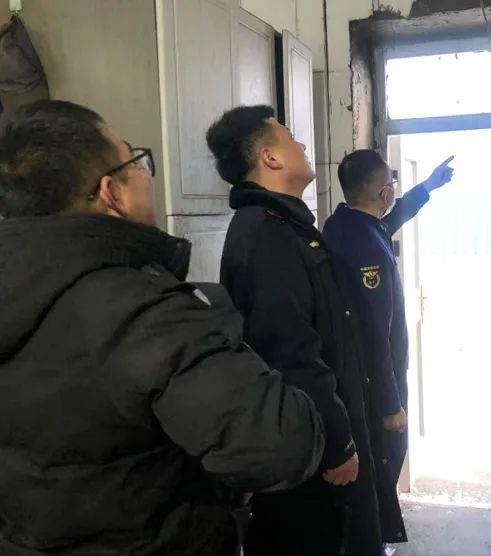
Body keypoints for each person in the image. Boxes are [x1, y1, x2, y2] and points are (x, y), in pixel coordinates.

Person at [0, 100, 325, 556]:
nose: (146, 174)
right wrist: (214, 321)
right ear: (112, 193)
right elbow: (280, 444)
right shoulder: (142, 308)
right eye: (136, 160)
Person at [207, 105, 383, 556]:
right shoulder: (267, 236)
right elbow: (290, 355)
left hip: (317, 434)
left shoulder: (287, 226)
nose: (302, 144)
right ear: (270, 158)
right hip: (308, 447)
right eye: (290, 138)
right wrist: (338, 442)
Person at [323, 150, 455, 549]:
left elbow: (391, 220)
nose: (393, 194)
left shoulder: (342, 226)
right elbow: (375, 333)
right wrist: (390, 403)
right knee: (382, 466)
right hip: (372, 388)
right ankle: (374, 544)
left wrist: (427, 186)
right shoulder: (369, 251)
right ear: (383, 194)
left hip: (356, 382)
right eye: (392, 187)